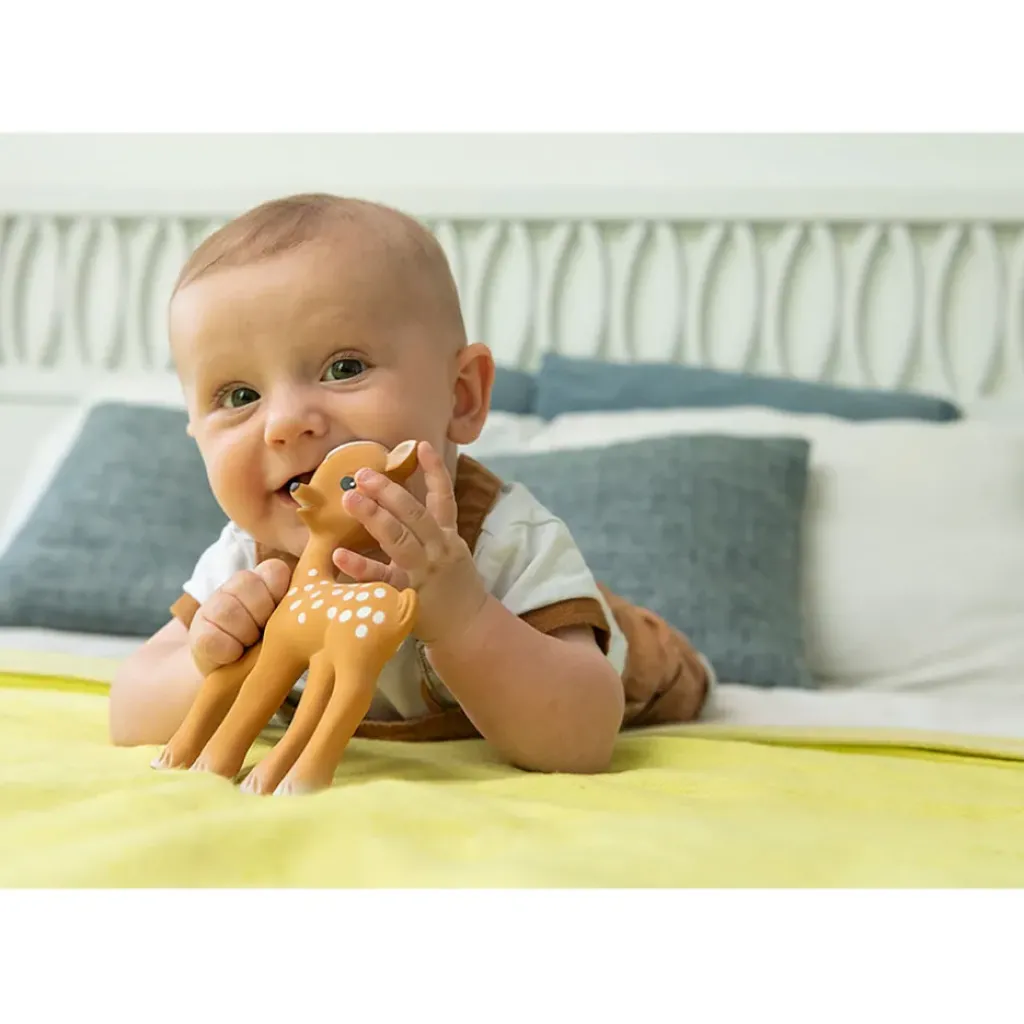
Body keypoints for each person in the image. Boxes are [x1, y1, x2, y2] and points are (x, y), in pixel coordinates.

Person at [108, 193, 713, 774]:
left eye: (344, 368)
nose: (286, 423)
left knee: (653, 655)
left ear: (462, 396)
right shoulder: (246, 561)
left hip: (625, 664)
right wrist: (207, 658)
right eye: (240, 396)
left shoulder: (504, 540)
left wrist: (465, 619)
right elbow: (128, 712)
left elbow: (581, 740)